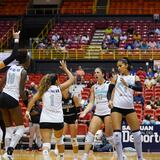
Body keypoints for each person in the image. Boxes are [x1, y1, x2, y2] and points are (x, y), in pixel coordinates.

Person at [25, 60, 75, 160]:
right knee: (59, 141)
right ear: (56, 81)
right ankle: (61, 157)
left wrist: (27, 111)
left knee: (46, 144)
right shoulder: (59, 88)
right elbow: (72, 79)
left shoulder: (42, 90)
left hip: (45, 120)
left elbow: (32, 100)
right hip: (58, 120)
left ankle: (46, 155)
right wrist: (65, 68)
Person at [107, 58, 144, 160]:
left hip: (129, 108)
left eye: (120, 66)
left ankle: (140, 157)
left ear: (126, 65)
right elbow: (109, 92)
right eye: (118, 66)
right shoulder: (116, 77)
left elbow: (140, 88)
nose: (118, 68)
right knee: (117, 135)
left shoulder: (134, 77)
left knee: (137, 134)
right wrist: (109, 100)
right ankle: (120, 157)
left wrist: (128, 85)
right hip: (117, 107)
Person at [0, 49, 31, 160]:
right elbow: (21, 92)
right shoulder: (23, 71)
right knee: (21, 128)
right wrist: (28, 104)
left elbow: (1, 84)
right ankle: (9, 151)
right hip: (12, 98)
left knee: (8, 128)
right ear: (25, 60)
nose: (29, 61)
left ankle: (6, 154)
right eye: (29, 59)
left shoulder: (9, 68)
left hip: (2, 97)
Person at [79, 67, 113, 160]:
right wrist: (85, 111)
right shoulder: (94, 87)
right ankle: (85, 156)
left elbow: (113, 98)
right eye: (95, 72)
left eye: (98, 72)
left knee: (110, 136)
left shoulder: (109, 85)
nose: (96, 74)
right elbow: (91, 103)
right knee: (90, 133)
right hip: (98, 113)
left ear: (103, 74)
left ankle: (120, 152)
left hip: (108, 113)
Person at [61, 88, 81, 160]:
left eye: (65, 89)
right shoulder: (60, 98)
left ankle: (75, 157)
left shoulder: (73, 97)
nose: (63, 90)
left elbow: (78, 109)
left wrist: (76, 120)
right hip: (64, 119)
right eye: (62, 89)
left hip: (73, 118)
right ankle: (61, 156)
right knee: (61, 138)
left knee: (73, 139)